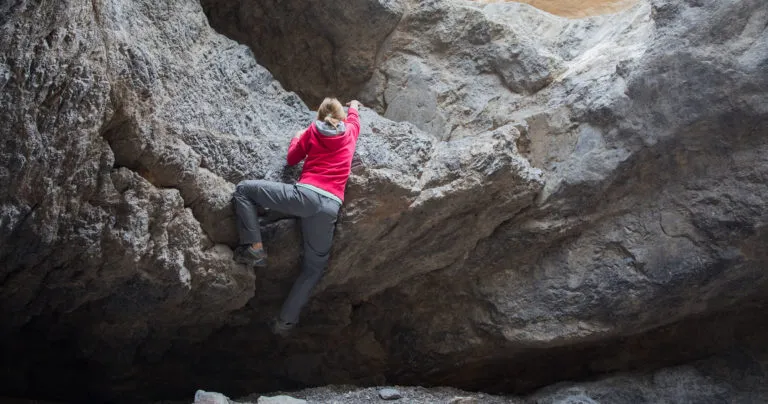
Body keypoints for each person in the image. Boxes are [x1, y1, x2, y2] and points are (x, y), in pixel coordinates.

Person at [232, 98, 363, 335]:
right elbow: (354, 118)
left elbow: (292, 158)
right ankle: (285, 323)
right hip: (330, 207)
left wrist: (296, 136)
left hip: (304, 197)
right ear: (342, 117)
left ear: (319, 117)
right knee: (313, 269)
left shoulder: (312, 132)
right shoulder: (351, 131)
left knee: (244, 190)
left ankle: (254, 247)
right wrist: (354, 105)